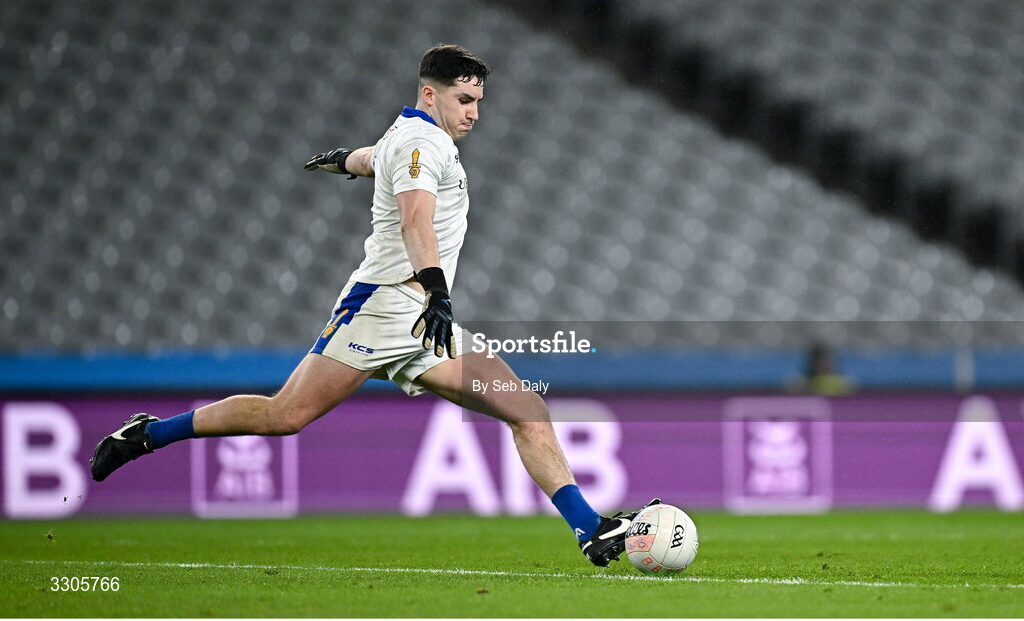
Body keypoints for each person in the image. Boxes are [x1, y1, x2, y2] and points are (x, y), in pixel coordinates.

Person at [90, 44, 657, 567]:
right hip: (385, 307)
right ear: (429, 94)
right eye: (464, 99)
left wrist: (342, 161)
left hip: (423, 320)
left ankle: (589, 528)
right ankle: (149, 434)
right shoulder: (420, 143)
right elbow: (414, 219)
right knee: (284, 416)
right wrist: (438, 291)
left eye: (479, 100)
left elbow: (369, 158)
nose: (475, 112)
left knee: (525, 410)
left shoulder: (406, 137)